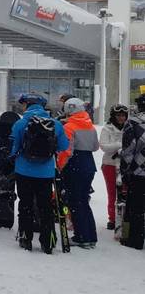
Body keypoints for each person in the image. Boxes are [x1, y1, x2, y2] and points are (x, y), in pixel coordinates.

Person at [9, 93, 69, 254]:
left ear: (27, 106)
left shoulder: (20, 123)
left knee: (26, 205)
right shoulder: (55, 124)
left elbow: (13, 148)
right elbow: (64, 146)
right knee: (45, 207)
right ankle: (47, 241)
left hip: (23, 171)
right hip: (46, 173)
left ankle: (26, 238)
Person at [58, 97, 99, 249]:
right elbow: (95, 147)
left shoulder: (69, 126)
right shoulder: (90, 126)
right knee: (83, 201)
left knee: (75, 201)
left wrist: (60, 166)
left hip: (75, 165)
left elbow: (66, 151)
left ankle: (81, 236)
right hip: (89, 164)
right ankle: (90, 236)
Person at [118, 94, 145, 250]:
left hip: (138, 173)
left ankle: (134, 239)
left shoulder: (133, 123)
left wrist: (125, 171)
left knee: (135, 208)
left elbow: (128, 151)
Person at [99, 104, 128, 231]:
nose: (121, 118)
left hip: (125, 164)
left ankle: (124, 218)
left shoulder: (129, 127)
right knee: (112, 193)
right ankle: (112, 218)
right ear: (113, 116)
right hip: (110, 164)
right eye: (118, 115)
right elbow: (104, 146)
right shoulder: (107, 128)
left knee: (125, 192)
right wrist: (119, 145)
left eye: (123, 115)